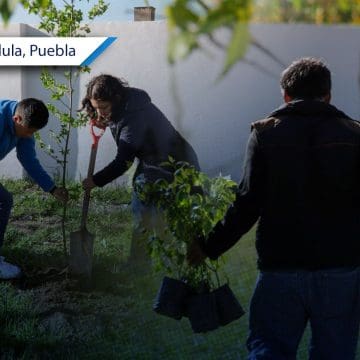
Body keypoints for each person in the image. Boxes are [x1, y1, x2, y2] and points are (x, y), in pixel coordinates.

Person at [187, 58, 360, 359]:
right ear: (328, 95)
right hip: (340, 268)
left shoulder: (265, 134)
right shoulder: (355, 135)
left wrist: (208, 246)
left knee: (269, 350)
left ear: (286, 95)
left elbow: (247, 202)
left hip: (280, 266)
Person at [81, 74, 200, 270]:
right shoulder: (128, 102)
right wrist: (103, 118)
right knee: (166, 214)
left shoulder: (133, 117)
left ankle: (141, 266)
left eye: (103, 108)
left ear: (116, 98)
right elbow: (112, 118)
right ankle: (175, 262)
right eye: (96, 108)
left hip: (173, 164)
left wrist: (96, 180)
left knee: (144, 209)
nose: (99, 113)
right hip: (166, 158)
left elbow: (123, 162)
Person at [0, 98, 68, 279]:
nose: (30, 135)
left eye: (34, 132)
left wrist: (52, 188)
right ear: (17, 120)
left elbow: (28, 159)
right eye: (29, 131)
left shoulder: (24, 123)